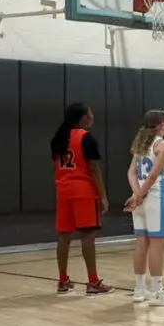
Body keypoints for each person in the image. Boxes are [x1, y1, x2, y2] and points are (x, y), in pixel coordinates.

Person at [50, 102, 113, 296]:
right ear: (83, 117)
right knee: (87, 235)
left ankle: (62, 280)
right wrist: (103, 195)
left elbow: (55, 168)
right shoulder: (87, 138)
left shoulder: (58, 138)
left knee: (64, 235)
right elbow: (94, 169)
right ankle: (93, 282)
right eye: (90, 113)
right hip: (83, 190)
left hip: (63, 190)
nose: (92, 116)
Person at [125, 110, 164, 306]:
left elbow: (131, 173)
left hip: (139, 199)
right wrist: (141, 195)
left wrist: (136, 195)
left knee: (142, 244)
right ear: (159, 125)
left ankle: (139, 290)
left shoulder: (141, 144)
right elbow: (154, 176)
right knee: (157, 245)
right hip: (155, 198)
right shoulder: (162, 145)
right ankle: (157, 292)